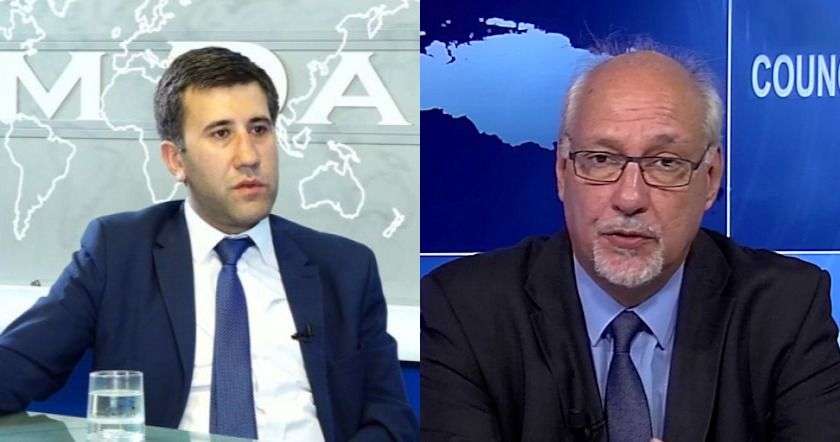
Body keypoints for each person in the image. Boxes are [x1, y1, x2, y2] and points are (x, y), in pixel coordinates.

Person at [420, 43, 840, 441]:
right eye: (601, 159)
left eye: (665, 163)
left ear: (710, 179)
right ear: (562, 172)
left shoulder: (785, 309)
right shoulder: (465, 310)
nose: (630, 197)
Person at [0, 47, 418, 441]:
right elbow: (16, 367)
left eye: (259, 129)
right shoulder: (119, 251)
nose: (249, 155)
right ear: (175, 160)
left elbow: (390, 418)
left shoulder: (345, 267)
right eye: (221, 133)